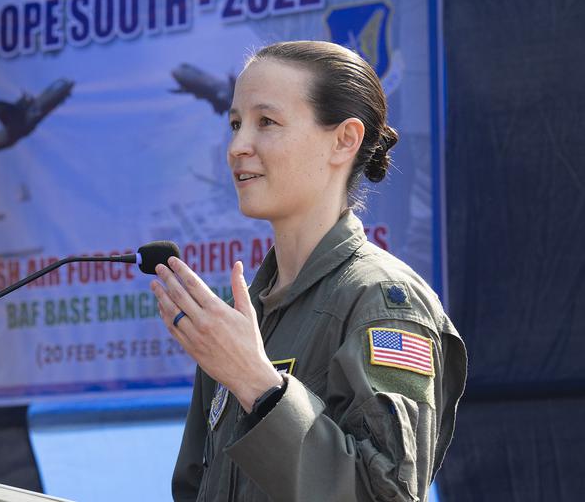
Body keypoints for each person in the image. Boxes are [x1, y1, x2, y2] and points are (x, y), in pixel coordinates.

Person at [150, 41, 467, 502]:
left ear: (345, 140)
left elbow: (386, 495)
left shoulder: (384, 300)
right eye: (235, 123)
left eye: (267, 123)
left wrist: (261, 388)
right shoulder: (241, 321)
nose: (238, 146)